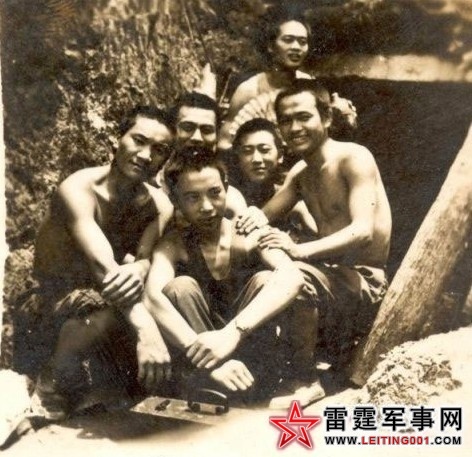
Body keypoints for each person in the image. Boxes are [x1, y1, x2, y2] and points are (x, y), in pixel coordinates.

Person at [237, 79, 391, 405]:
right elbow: (262, 217)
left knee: (296, 277)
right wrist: (246, 213)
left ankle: (306, 381)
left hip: (365, 281)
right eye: (286, 120)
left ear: (326, 118)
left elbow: (362, 230)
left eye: (304, 117)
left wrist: (298, 250)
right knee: (267, 277)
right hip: (332, 281)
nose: (295, 128)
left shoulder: (353, 158)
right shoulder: (301, 174)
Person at [15, 105, 174, 419]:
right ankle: (50, 382)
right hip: (49, 306)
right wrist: (147, 329)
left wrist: (140, 267)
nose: (146, 155)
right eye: (139, 140)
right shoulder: (78, 189)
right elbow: (104, 268)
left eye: (159, 150)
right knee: (102, 307)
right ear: (118, 139)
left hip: (109, 301)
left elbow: (147, 260)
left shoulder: (159, 205)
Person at [143, 147, 307, 400]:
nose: (207, 207)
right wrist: (211, 360)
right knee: (179, 287)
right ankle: (210, 382)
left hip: (250, 357)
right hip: (205, 363)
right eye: (193, 198)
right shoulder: (173, 244)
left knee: (266, 280)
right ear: (176, 201)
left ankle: (254, 387)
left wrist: (232, 333)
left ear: (227, 188)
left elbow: (293, 277)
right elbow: (152, 298)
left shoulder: (248, 233)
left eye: (215, 193)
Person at [218, 9, 358, 151]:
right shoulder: (249, 90)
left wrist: (341, 114)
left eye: (302, 42)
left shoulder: (308, 82)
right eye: (288, 40)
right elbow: (224, 143)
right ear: (271, 46)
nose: (296, 47)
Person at [154, 91, 247, 219]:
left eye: (207, 130)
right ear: (172, 131)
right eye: (187, 128)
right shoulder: (150, 183)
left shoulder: (230, 197)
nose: (197, 138)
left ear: (217, 135)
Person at [230, 117, 317, 238]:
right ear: (237, 157)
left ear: (280, 155)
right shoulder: (230, 196)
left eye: (264, 150)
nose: (256, 159)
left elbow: (320, 238)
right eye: (247, 151)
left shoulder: (292, 201)